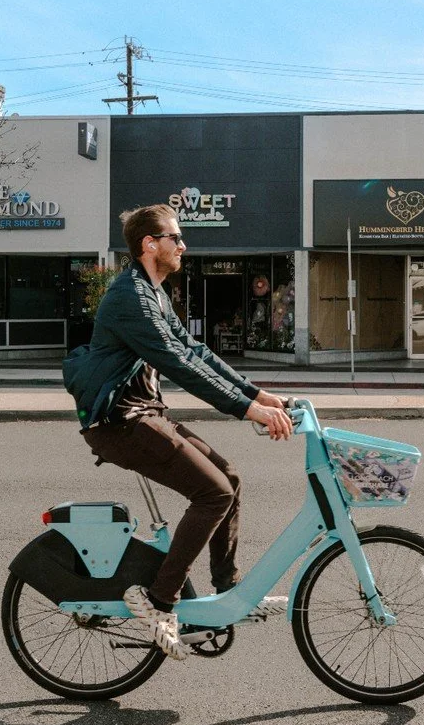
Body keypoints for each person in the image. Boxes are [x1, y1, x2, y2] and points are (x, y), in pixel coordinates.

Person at [63, 203, 292, 660]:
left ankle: (229, 593)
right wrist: (247, 410)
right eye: (175, 238)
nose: (183, 246)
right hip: (120, 422)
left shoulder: (154, 292)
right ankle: (159, 601)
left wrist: (256, 394)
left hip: (143, 414)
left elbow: (194, 351)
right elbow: (178, 364)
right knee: (213, 493)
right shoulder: (131, 297)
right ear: (149, 245)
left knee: (229, 478)